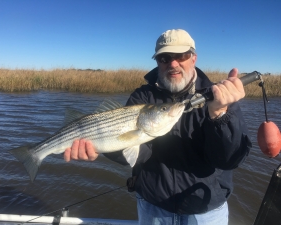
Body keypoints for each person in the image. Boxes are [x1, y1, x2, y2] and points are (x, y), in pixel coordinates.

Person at [63, 29, 252, 225]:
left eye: (181, 55)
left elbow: (229, 160)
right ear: (157, 61)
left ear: (194, 58)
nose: (173, 63)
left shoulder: (220, 96)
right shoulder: (142, 98)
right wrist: (100, 147)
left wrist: (219, 115)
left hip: (206, 211)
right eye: (164, 58)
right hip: (153, 208)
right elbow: (137, 154)